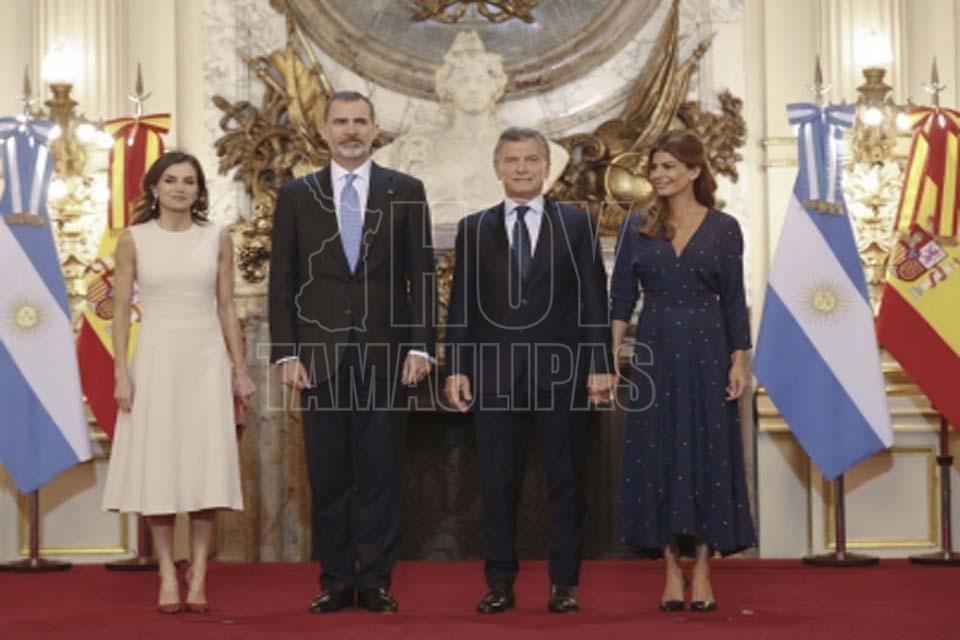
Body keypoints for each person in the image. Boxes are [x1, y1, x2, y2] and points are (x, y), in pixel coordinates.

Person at [268, 91, 436, 614]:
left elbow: (422, 275)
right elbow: (282, 281)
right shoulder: (296, 195)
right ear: (323, 131)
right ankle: (337, 580)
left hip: (387, 355)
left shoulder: (405, 190)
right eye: (340, 122)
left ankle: (377, 581)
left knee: (382, 473)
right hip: (318, 358)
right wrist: (285, 353)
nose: (350, 130)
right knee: (329, 475)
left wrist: (422, 347)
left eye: (360, 121)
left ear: (375, 129)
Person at [444, 127, 616, 614]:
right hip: (495, 376)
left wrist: (600, 365)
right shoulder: (474, 228)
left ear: (547, 166)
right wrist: (456, 367)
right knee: (497, 483)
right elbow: (462, 306)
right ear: (497, 167)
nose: (522, 169)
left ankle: (564, 584)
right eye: (512, 160)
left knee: (567, 481)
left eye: (531, 160)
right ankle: (500, 583)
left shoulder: (578, 224)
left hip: (562, 374)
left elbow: (593, 299)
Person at [609, 130, 756, 613]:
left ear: (695, 170)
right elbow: (621, 299)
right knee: (657, 454)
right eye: (654, 167)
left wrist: (739, 360)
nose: (658, 175)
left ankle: (705, 569)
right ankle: (671, 569)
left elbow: (733, 300)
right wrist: (608, 356)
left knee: (709, 455)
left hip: (709, 348)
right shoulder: (636, 227)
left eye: (669, 166)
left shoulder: (724, 228)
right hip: (654, 349)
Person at [102, 151, 254, 614]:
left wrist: (240, 369)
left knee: (204, 467)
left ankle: (200, 573)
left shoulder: (217, 237)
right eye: (171, 180)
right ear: (154, 187)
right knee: (161, 467)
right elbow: (121, 310)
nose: (180, 188)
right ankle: (168, 572)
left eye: (189, 181)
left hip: (206, 363)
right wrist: (120, 373)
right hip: (155, 362)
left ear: (199, 190)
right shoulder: (133, 239)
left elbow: (226, 306)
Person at [373, 31, 568, 227]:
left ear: (495, 87)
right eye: (463, 80)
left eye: (481, 80)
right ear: (448, 88)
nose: (472, 88)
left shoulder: (535, 149)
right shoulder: (416, 147)